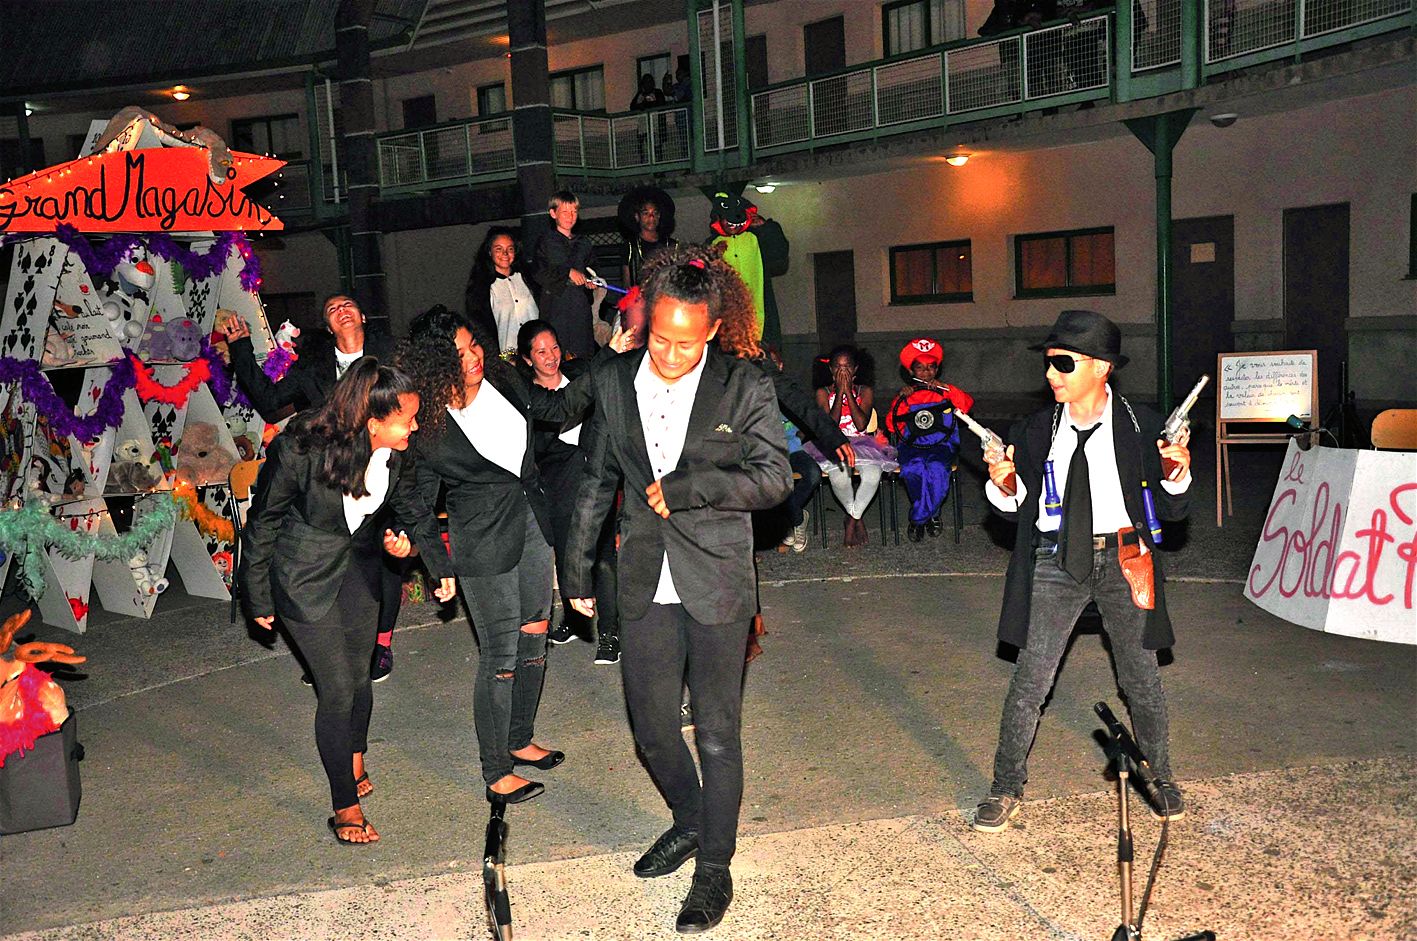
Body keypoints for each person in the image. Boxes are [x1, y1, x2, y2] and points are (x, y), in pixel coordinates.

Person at [563, 244, 790, 934]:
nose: (669, 354)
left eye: (685, 343)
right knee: (653, 726)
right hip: (643, 576)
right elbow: (596, 477)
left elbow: (775, 477)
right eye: (660, 337)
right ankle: (690, 818)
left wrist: (691, 490)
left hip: (717, 573)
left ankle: (713, 867)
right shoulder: (615, 379)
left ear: (712, 331)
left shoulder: (743, 383)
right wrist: (574, 572)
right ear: (644, 321)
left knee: (717, 731)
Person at [971, 310, 1192, 834]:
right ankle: (1005, 786)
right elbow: (1017, 507)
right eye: (1049, 363)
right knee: (1031, 680)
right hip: (1055, 559)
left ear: (1102, 367)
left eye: (1063, 364)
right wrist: (1002, 484)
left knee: (1141, 681)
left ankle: (1159, 776)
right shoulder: (1034, 429)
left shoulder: (1141, 427)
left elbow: (1175, 510)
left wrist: (1178, 472)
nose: (1051, 374)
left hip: (1125, 558)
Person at [238, 358, 454, 844]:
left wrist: (432, 560)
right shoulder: (299, 449)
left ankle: (353, 757)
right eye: (407, 419)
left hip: (358, 566)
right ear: (373, 422)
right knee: (336, 689)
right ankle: (344, 805)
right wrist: (256, 594)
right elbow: (264, 520)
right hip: (302, 573)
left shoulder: (396, 452)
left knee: (361, 675)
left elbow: (412, 509)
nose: (415, 427)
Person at [400, 305, 598, 804]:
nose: (472, 358)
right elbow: (417, 497)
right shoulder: (426, 421)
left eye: (473, 345)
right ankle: (495, 769)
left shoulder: (506, 379)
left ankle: (519, 738)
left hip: (533, 520)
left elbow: (553, 412)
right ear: (434, 363)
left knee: (535, 635)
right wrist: (423, 550)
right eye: (458, 353)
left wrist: (610, 360)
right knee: (501, 654)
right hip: (482, 541)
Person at [224, 294, 403, 682]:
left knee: (382, 564)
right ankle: (330, 653)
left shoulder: (392, 356)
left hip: (384, 471)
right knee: (338, 566)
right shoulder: (315, 369)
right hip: (333, 483)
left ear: (363, 314)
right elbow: (271, 399)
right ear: (328, 326)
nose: (341, 310)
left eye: (348, 304)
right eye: (332, 309)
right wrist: (240, 349)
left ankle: (381, 645)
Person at [515, 319, 621, 665]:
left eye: (555, 347)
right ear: (528, 359)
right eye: (541, 351)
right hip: (558, 488)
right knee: (569, 556)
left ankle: (610, 633)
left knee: (602, 558)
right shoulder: (528, 396)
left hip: (595, 481)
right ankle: (576, 620)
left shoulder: (581, 372)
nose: (551, 357)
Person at [886, 338, 975, 542]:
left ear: (937, 369)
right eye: (920, 368)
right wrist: (901, 398)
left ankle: (919, 518)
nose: (926, 373)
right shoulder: (906, 395)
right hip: (912, 445)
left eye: (931, 367)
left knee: (936, 470)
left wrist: (946, 389)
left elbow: (967, 405)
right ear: (911, 372)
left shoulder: (945, 392)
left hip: (941, 444)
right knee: (913, 469)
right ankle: (931, 514)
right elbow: (892, 425)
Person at [814, 345, 894, 547]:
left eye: (847, 367)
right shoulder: (822, 393)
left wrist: (848, 393)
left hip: (863, 443)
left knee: (873, 476)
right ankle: (857, 517)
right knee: (839, 479)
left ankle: (851, 521)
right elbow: (829, 426)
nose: (843, 372)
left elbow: (861, 424)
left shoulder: (864, 391)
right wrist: (839, 392)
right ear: (831, 370)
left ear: (856, 370)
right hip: (834, 443)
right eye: (838, 368)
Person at [533, 191, 597, 360]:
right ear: (553, 213)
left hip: (579, 305)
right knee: (558, 352)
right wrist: (567, 272)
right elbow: (538, 272)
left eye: (574, 212)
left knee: (582, 352)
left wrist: (591, 282)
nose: (570, 216)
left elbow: (591, 269)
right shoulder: (546, 241)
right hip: (556, 305)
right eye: (565, 212)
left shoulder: (584, 243)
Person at [465, 227, 539, 355]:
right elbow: (481, 328)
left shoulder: (529, 278)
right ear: (489, 251)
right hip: (507, 357)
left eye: (510, 249)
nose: (505, 254)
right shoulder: (481, 288)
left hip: (537, 352)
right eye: (498, 249)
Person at [618, 187, 678, 289]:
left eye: (655, 213)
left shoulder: (672, 245)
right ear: (637, 217)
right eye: (646, 213)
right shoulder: (630, 247)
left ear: (659, 216)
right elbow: (627, 284)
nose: (651, 217)